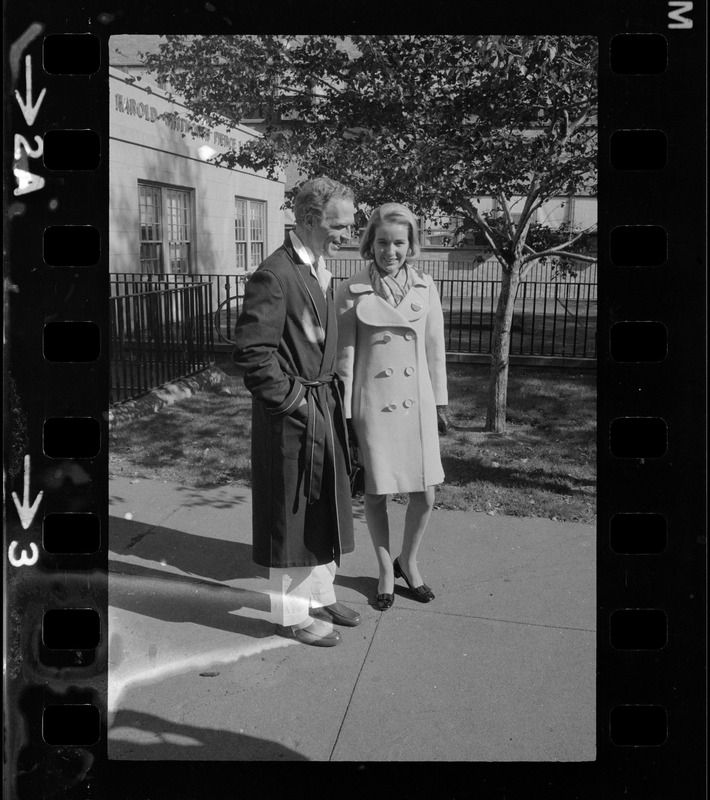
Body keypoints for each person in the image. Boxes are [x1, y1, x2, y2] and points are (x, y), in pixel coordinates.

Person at [233, 177, 360, 647]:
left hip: (321, 407)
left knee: (322, 504)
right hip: (292, 418)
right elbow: (252, 354)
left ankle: (322, 595)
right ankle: (290, 616)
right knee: (291, 515)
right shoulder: (275, 274)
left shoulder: (316, 267)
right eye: (339, 224)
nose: (348, 233)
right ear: (308, 219)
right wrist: (295, 403)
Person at [335, 202, 449, 611]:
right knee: (377, 492)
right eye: (382, 241)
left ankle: (408, 560)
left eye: (399, 242)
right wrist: (345, 414)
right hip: (374, 406)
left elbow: (435, 351)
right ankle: (386, 569)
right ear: (370, 243)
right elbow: (345, 359)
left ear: (411, 244)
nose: (390, 251)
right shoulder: (350, 290)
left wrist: (440, 402)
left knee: (427, 494)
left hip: (415, 406)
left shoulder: (426, 287)